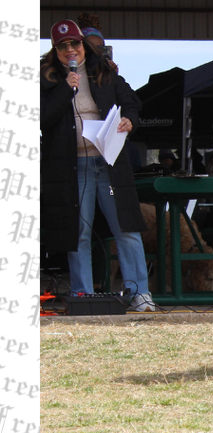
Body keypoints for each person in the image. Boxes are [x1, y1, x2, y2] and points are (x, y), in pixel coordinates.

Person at [41, 19, 155, 312]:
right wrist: (65, 88)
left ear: (83, 45)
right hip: (73, 167)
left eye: (74, 43)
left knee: (125, 228)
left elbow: (132, 102)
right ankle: (82, 295)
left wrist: (130, 121)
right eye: (63, 46)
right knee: (78, 231)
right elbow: (43, 118)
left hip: (109, 163)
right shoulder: (46, 78)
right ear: (55, 51)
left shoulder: (103, 71)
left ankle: (140, 294)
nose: (70, 50)